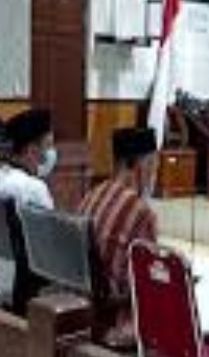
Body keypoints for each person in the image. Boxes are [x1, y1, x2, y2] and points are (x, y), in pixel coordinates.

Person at [77, 127, 159, 347]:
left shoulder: (91, 195)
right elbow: (146, 284)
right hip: (114, 323)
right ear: (140, 165)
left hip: (82, 311)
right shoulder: (142, 213)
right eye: (153, 164)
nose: (154, 173)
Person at [0, 108, 57, 303]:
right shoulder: (33, 188)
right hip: (25, 280)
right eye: (49, 146)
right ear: (31, 149)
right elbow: (52, 245)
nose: (52, 153)